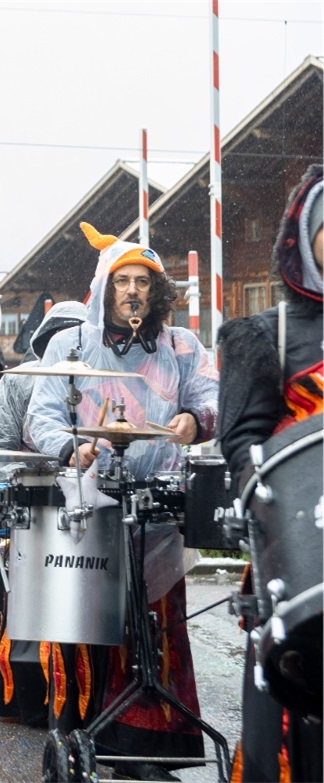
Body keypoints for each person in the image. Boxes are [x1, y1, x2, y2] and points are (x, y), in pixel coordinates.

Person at [27, 223, 219, 782]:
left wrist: (193, 420)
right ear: (104, 288)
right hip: (91, 502)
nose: (133, 291)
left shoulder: (183, 346)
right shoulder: (70, 346)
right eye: (122, 281)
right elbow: (43, 416)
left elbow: (209, 397)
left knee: (155, 627)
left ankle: (150, 746)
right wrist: (72, 447)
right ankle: (81, 734)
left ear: (156, 292)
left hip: (157, 509)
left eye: (143, 282)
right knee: (86, 621)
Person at [218, 164, 323, 783]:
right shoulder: (267, 334)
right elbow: (241, 442)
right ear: (304, 238)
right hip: (300, 552)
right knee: (291, 714)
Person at [0, 300, 86, 727]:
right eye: (60, 334)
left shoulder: (103, 377)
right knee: (29, 603)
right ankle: (30, 699)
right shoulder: (17, 382)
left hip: (90, 505)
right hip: (31, 503)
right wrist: (24, 478)